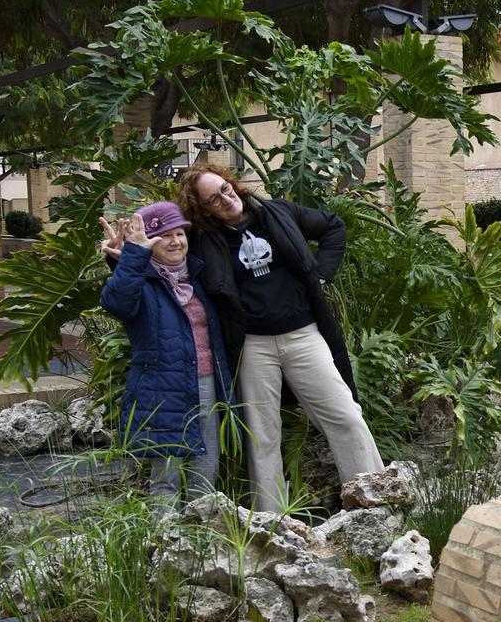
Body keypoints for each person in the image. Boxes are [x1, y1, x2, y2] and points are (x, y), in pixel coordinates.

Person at [174, 163, 383, 515]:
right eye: (213, 199)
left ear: (233, 184)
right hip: (253, 345)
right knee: (262, 436)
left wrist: (321, 275)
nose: (225, 199)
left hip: (303, 334)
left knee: (345, 415)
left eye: (225, 188)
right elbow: (166, 260)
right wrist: (122, 257)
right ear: (203, 209)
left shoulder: (278, 212)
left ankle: (374, 502)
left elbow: (333, 227)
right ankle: (273, 525)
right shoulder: (202, 240)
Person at [98, 202, 232, 503]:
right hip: (162, 388)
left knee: (206, 475)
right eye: (163, 235)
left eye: (179, 233)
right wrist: (131, 257)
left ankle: (201, 542)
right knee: (166, 480)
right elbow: (117, 303)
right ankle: (165, 543)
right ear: (147, 242)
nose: (174, 241)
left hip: (207, 384)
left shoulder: (199, 275)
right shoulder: (141, 280)